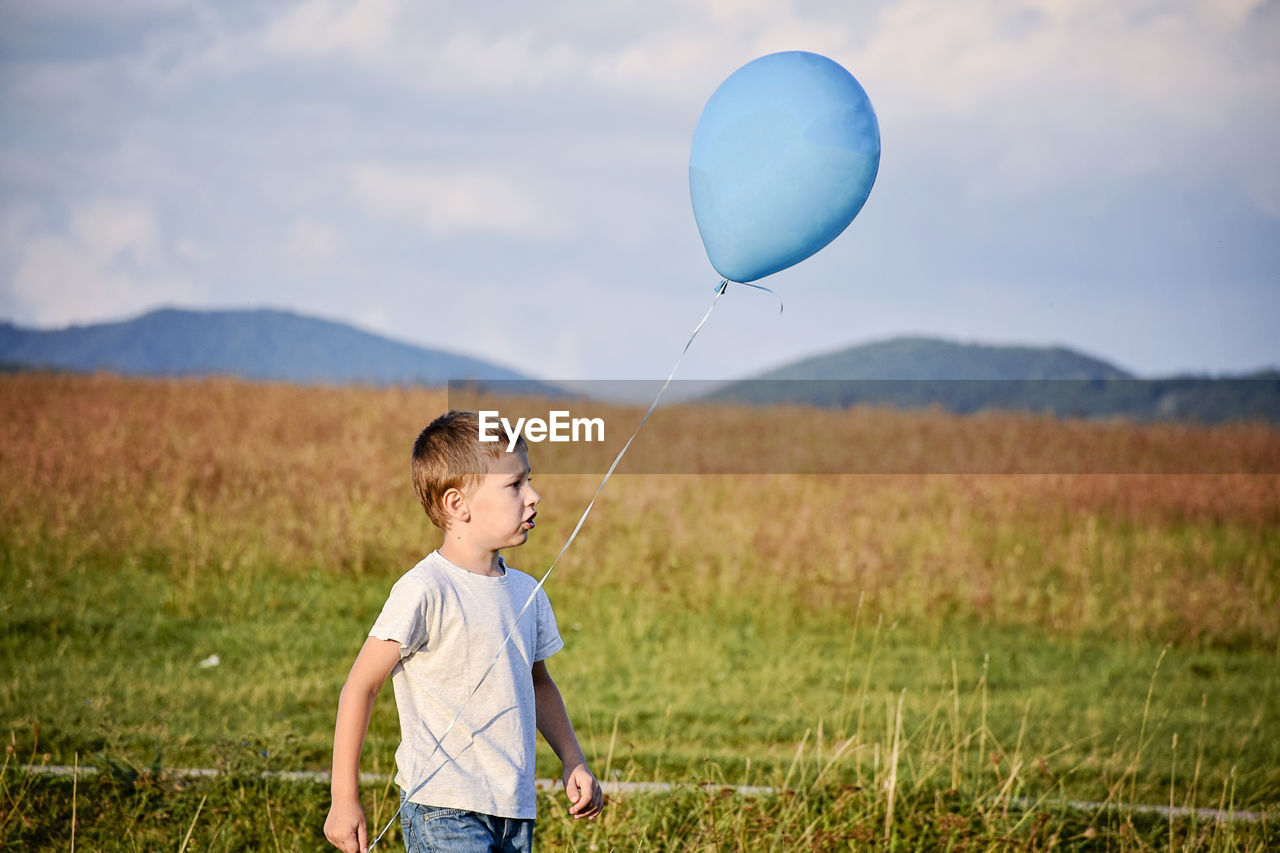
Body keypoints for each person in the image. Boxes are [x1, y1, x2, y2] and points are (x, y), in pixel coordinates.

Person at [324, 410, 603, 853]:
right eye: (514, 485)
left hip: (514, 810)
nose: (534, 496)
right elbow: (360, 686)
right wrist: (344, 799)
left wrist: (573, 760)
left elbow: (538, 683)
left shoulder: (527, 592)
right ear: (458, 505)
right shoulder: (424, 589)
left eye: (528, 480)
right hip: (444, 808)